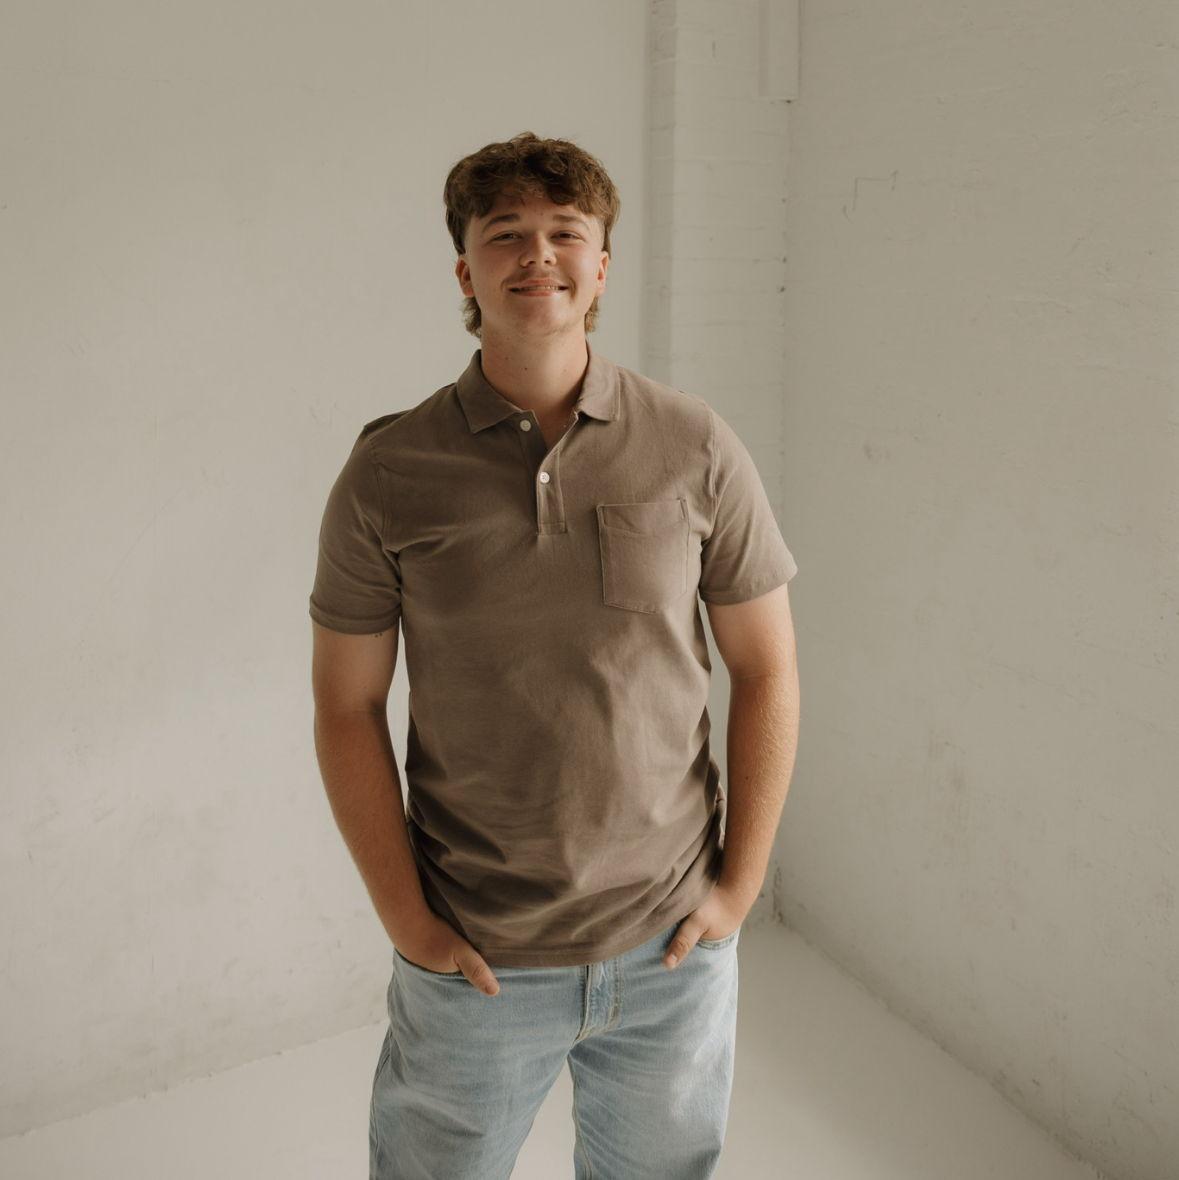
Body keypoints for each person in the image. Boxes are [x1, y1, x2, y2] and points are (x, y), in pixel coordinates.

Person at [309, 130, 800, 1179]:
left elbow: (766, 669)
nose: (538, 254)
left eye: (565, 232)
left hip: (672, 950)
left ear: (602, 266)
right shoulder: (389, 472)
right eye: (505, 234)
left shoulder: (695, 443)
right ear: (465, 271)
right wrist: (408, 921)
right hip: (477, 957)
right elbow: (346, 706)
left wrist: (737, 890)